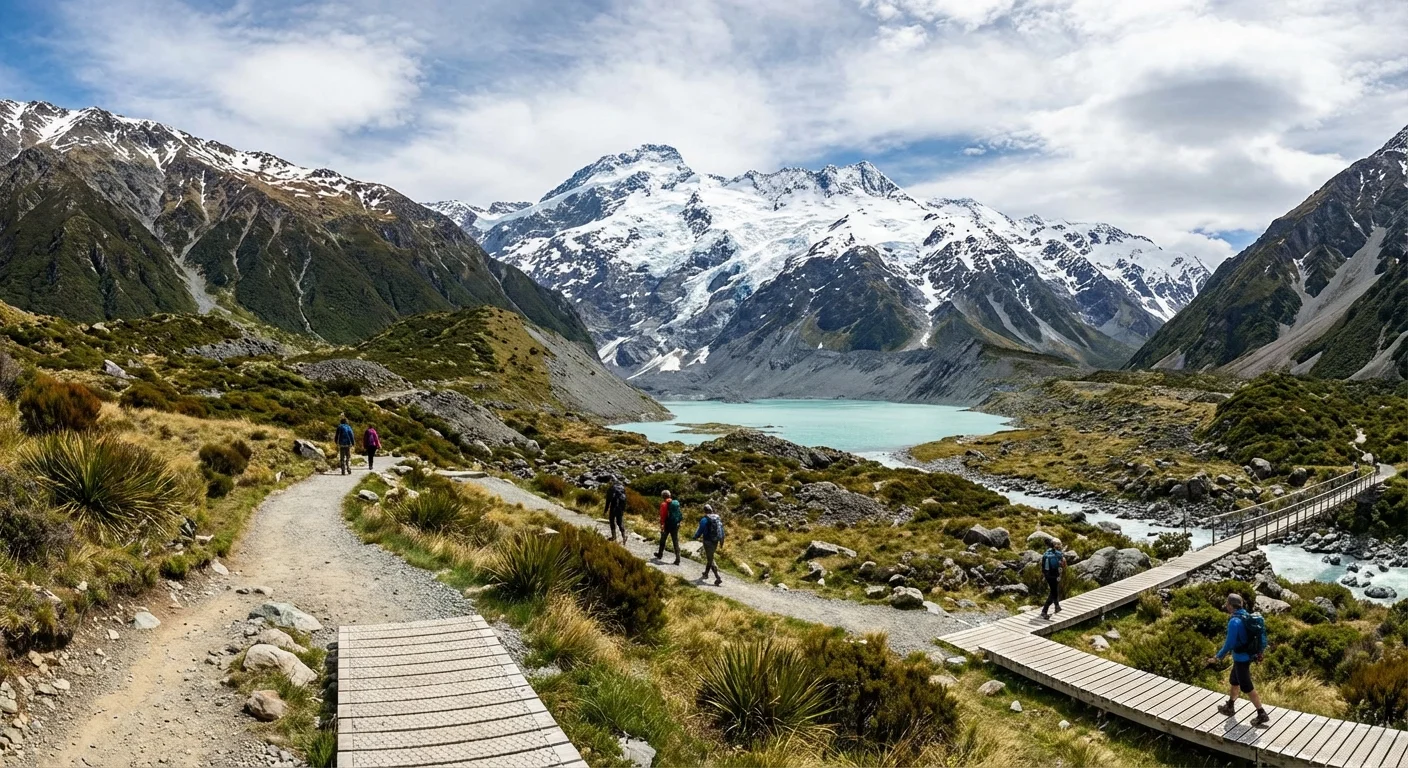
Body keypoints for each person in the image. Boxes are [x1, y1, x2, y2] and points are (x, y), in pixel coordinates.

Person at [1213, 593, 1270, 726]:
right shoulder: (1245, 615)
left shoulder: (1234, 621)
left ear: (1230, 606)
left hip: (1241, 658)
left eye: (1227, 604)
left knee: (1247, 687)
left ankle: (1261, 713)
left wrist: (1218, 657)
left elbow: (1229, 644)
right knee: (1234, 680)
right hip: (1246, 656)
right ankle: (1230, 706)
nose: (1226, 606)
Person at [692, 504, 725, 585]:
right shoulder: (717, 518)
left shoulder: (704, 519)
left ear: (705, 511)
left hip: (707, 541)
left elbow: (700, 530)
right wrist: (721, 541)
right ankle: (706, 573)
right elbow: (721, 530)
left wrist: (695, 537)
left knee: (710, 559)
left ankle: (718, 577)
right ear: (712, 510)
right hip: (716, 541)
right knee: (710, 556)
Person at [1039, 538, 1066, 620]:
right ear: (1055, 545)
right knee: (1053, 593)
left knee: (1054, 590)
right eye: (1058, 544)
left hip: (1048, 576)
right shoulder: (1059, 554)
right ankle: (1044, 611)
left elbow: (1043, 566)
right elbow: (1063, 565)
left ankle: (1057, 606)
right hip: (1055, 576)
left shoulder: (1045, 553)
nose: (1059, 546)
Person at [654, 490, 682, 565]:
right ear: (670, 495)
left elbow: (663, 516)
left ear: (663, 496)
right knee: (675, 541)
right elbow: (679, 514)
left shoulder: (664, 504)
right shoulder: (676, 503)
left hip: (667, 525)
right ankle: (678, 559)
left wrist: (662, 525)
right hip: (675, 525)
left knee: (663, 539)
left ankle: (660, 554)